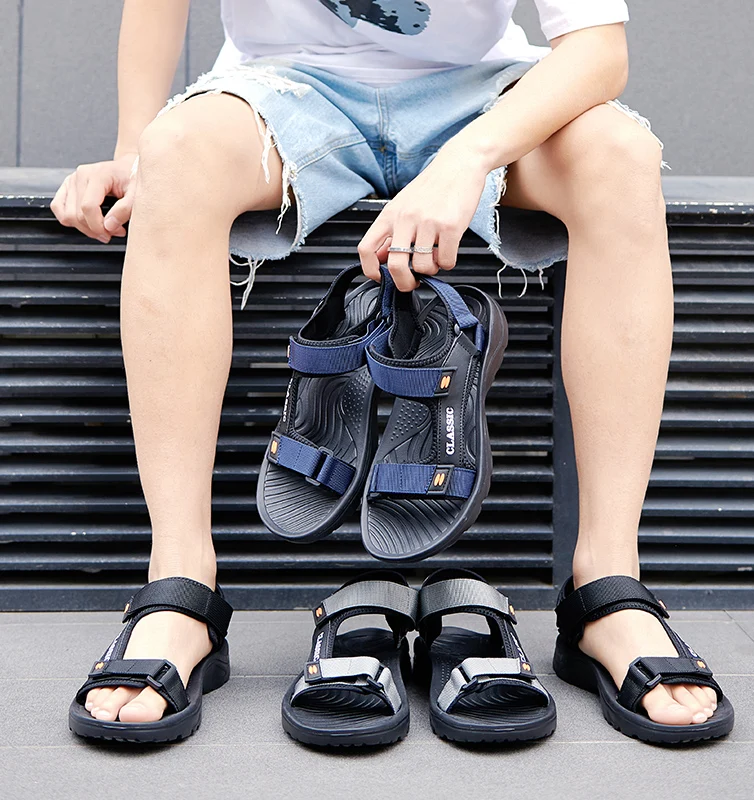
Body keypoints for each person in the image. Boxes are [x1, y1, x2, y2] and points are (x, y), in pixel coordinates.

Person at [52, 0, 718, 730]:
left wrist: (466, 159)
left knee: (620, 155)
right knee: (174, 153)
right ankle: (179, 586)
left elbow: (598, 51)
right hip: (281, 89)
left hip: (482, 90)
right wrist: (132, 149)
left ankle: (607, 587)